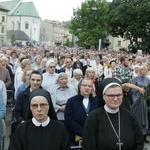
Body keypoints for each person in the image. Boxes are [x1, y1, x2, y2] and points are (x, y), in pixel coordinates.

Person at [82, 78, 144, 150]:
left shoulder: (130, 116)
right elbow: (89, 146)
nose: (115, 99)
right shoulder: (93, 118)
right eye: (111, 95)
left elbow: (139, 142)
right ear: (103, 97)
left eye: (119, 95)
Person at [65, 78, 98, 146]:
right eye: (84, 85)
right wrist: (83, 132)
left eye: (89, 86)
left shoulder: (96, 102)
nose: (87, 88)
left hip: (93, 136)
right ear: (80, 86)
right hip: (75, 136)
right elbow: (69, 119)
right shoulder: (71, 101)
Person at [131, 65, 150, 143]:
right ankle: (136, 135)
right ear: (140, 70)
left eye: (145, 69)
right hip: (136, 100)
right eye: (142, 69)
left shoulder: (148, 79)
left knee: (145, 117)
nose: (143, 71)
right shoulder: (136, 78)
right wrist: (138, 91)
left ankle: (144, 136)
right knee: (137, 117)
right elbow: (132, 89)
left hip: (145, 101)